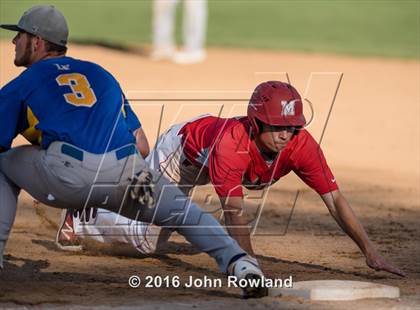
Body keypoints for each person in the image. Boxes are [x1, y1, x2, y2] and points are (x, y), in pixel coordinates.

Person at [0, 5, 268, 299]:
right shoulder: (100, 75)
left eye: (20, 36)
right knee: (183, 212)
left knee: (3, 164)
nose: (15, 42)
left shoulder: (21, 84)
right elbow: (141, 144)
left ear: (37, 42)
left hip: (66, 176)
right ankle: (241, 263)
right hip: (127, 172)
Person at [65, 81, 405, 278]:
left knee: (158, 232)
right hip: (183, 153)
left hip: (208, 152)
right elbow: (234, 213)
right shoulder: (233, 145)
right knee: (146, 240)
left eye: (293, 126)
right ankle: (83, 214)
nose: (287, 134)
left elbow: (334, 199)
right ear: (256, 123)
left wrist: (369, 251)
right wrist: (250, 266)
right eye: (277, 126)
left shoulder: (301, 145)